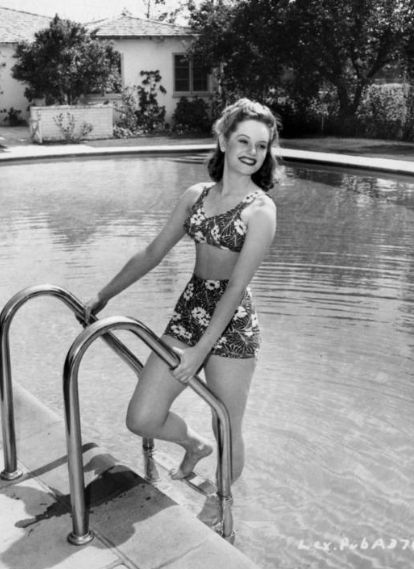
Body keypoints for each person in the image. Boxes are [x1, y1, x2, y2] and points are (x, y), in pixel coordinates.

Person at [84, 98, 279, 484]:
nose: (252, 152)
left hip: (232, 327)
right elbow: (152, 253)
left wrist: (201, 350)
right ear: (223, 140)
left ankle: (221, 509)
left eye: (261, 145)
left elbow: (236, 287)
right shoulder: (196, 196)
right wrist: (103, 296)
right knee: (142, 417)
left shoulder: (261, 210)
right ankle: (193, 445)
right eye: (243, 141)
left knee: (226, 425)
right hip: (190, 313)